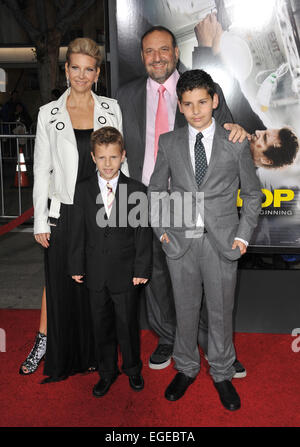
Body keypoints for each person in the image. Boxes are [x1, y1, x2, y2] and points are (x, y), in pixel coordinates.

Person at [116, 25, 247, 372]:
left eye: (163, 50)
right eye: (149, 51)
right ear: (141, 56)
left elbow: (228, 131)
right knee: (156, 271)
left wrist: (237, 130)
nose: (156, 57)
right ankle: (167, 338)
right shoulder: (125, 95)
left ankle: (213, 345)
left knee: (203, 276)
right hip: (142, 195)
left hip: (191, 199)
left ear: (176, 52)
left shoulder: (200, 87)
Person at [148, 69, 262, 410]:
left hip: (223, 241)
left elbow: (253, 195)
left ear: (214, 101)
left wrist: (243, 236)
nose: (196, 110)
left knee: (220, 312)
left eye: (202, 102)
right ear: (180, 107)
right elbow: (155, 192)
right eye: (188, 104)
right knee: (184, 312)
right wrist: (163, 234)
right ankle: (185, 367)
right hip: (180, 244)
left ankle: (223, 372)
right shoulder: (168, 142)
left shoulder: (236, 141)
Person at [20, 37, 127, 381]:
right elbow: (40, 171)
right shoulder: (47, 114)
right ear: (66, 69)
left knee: (99, 281)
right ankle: (44, 343)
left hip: (100, 209)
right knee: (57, 281)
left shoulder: (111, 108)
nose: (82, 75)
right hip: (63, 210)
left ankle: (99, 350)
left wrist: (123, 211)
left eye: (89, 69)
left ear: (97, 73)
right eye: (75, 68)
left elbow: (121, 163)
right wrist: (40, 220)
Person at [69, 127, 152, 397]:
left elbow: (142, 232)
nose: (108, 164)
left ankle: (132, 369)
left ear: (123, 156)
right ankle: (106, 372)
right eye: (102, 158)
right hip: (94, 272)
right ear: (93, 157)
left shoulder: (136, 189)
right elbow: (77, 230)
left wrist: (141, 268)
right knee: (100, 325)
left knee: (127, 325)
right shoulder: (82, 190)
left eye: (113, 158)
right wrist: (76, 265)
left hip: (126, 273)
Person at [193, 13, 299, 168]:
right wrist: (217, 42)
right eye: (266, 132)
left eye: (264, 139)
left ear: (266, 160)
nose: (259, 133)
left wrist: (204, 46)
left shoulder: (231, 169)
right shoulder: (256, 127)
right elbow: (231, 92)